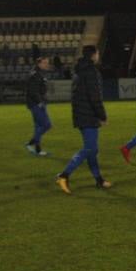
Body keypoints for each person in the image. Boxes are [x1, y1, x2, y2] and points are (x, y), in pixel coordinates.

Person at [56, 45, 111, 193]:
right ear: (93, 55)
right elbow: (95, 97)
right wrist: (102, 116)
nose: (98, 55)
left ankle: (99, 179)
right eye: (98, 53)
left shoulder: (79, 70)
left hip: (81, 114)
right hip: (88, 115)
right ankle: (64, 175)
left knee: (92, 150)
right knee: (89, 149)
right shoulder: (91, 72)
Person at [24, 56, 53, 156]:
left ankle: (38, 150)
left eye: (47, 63)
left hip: (37, 103)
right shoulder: (35, 74)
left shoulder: (39, 73)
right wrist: (40, 102)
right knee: (47, 125)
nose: (47, 64)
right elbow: (33, 91)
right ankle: (30, 143)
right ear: (39, 64)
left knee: (38, 126)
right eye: (45, 63)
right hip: (36, 104)